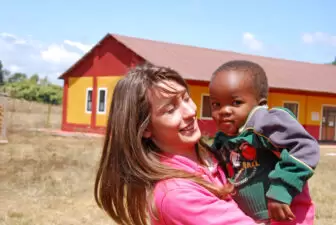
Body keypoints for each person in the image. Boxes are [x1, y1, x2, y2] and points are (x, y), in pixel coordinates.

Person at [94, 63, 265, 225]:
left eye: (186, 98)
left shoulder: (214, 155)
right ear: (145, 128)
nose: (190, 111)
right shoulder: (177, 194)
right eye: (170, 109)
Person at [209, 60, 320, 224]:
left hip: (286, 215)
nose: (224, 111)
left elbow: (304, 147)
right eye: (216, 104)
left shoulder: (265, 123)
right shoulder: (221, 141)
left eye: (236, 102)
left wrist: (281, 189)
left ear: (260, 104)